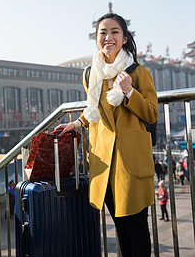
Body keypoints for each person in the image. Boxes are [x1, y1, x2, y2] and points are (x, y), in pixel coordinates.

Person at [55, 13, 159, 256]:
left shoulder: (138, 72)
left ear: (124, 38)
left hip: (130, 160)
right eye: (103, 32)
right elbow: (95, 113)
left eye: (114, 32)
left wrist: (130, 92)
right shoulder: (91, 74)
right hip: (104, 161)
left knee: (137, 229)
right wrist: (77, 124)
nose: (108, 37)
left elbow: (152, 113)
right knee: (120, 229)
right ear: (96, 38)